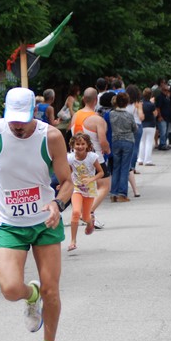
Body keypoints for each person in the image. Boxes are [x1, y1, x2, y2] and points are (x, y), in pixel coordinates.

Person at [0, 87, 73, 341]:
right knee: (9, 289)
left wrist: (57, 203)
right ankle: (31, 296)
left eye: (23, 119)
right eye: (12, 118)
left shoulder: (51, 137)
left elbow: (67, 181)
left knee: (52, 291)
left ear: (34, 113)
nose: (17, 125)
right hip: (9, 224)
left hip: (44, 222)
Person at [70, 87, 110, 229]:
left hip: (77, 157)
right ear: (96, 100)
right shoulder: (96, 119)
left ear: (83, 99)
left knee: (87, 188)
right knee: (104, 186)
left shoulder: (75, 116)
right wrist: (107, 149)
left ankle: (91, 217)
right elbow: (103, 140)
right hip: (95, 157)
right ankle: (88, 212)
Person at [67, 133, 104, 252]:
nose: (80, 146)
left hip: (89, 190)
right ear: (73, 145)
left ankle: (90, 222)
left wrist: (91, 179)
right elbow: (68, 173)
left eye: (83, 144)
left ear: (87, 145)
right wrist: (63, 184)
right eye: (77, 144)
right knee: (76, 212)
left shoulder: (92, 157)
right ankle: (73, 241)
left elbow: (101, 173)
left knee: (85, 216)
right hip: (76, 188)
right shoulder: (70, 158)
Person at [109, 92, 137, 202]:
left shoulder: (112, 114)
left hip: (115, 140)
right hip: (128, 141)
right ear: (126, 103)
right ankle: (122, 193)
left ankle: (113, 193)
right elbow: (134, 128)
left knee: (116, 167)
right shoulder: (129, 115)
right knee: (125, 167)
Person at [137, 88, 157, 166]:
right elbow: (155, 114)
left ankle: (140, 159)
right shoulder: (151, 104)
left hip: (142, 124)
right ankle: (148, 160)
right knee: (149, 142)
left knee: (142, 142)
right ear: (151, 95)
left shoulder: (140, 104)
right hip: (151, 125)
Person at [155, 82, 171, 150]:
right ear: (162, 90)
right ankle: (162, 144)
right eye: (165, 90)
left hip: (167, 117)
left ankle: (164, 143)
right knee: (163, 131)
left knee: (166, 132)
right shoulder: (160, 97)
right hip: (162, 117)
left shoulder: (167, 97)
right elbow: (158, 107)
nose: (167, 91)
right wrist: (159, 116)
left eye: (168, 90)